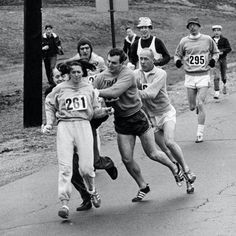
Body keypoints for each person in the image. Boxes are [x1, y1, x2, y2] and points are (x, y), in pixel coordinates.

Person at [94, 48, 184, 202]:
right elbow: (94, 98)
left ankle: (174, 167)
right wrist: (99, 106)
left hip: (137, 117)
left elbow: (115, 91)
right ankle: (143, 186)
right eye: (108, 61)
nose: (110, 65)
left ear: (122, 63)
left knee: (152, 153)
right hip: (121, 121)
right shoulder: (101, 78)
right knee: (127, 159)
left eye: (114, 63)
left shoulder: (128, 74)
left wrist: (96, 92)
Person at [42, 60, 113, 219]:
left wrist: (105, 111)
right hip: (65, 127)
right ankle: (64, 203)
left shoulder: (89, 89)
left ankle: (92, 191)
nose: (76, 75)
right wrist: (49, 123)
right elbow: (49, 103)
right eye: (73, 72)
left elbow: (94, 112)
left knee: (86, 168)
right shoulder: (60, 89)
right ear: (68, 73)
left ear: (83, 73)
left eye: (79, 72)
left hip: (83, 126)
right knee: (66, 167)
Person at [134, 48, 196, 193]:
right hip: (151, 117)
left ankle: (187, 169)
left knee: (169, 141)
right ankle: (184, 179)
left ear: (153, 60)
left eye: (146, 59)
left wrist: (131, 92)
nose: (142, 62)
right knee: (166, 152)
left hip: (166, 113)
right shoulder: (135, 74)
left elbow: (150, 93)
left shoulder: (161, 73)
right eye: (140, 59)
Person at [174, 17, 219, 143]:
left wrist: (213, 60)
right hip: (189, 76)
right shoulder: (184, 41)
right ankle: (198, 109)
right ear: (188, 27)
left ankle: (200, 133)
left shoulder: (207, 39)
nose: (193, 27)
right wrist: (177, 61)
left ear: (199, 26)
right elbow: (177, 54)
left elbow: (216, 52)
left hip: (203, 75)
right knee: (192, 107)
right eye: (190, 25)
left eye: (195, 25)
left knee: (200, 103)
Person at [211, 25, 232, 99]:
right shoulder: (210, 40)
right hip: (215, 60)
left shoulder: (224, 40)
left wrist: (222, 51)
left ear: (220, 31)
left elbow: (229, 49)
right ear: (213, 32)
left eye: (218, 30)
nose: (216, 32)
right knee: (216, 75)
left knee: (223, 75)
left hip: (223, 59)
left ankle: (225, 84)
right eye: (215, 30)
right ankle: (216, 92)